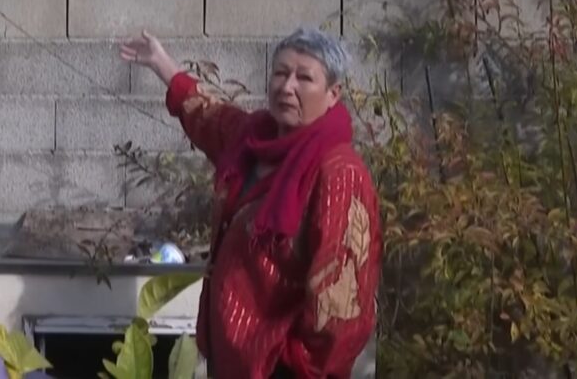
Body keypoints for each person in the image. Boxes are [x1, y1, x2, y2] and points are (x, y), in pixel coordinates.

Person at [120, 26, 382, 378]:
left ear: (333, 93)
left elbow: (342, 303)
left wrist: (295, 363)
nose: (287, 86)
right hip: (229, 360)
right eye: (280, 73)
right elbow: (207, 115)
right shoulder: (251, 139)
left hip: (282, 369)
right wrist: (162, 64)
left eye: (304, 78)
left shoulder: (339, 173)